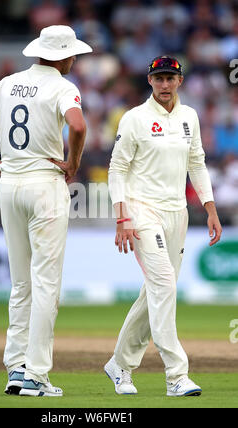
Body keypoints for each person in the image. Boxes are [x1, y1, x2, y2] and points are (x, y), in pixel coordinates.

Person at [0, 25, 92, 397]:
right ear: (61, 55)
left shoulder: (9, 83)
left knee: (21, 284)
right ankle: (36, 374)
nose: (75, 58)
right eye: (72, 53)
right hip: (45, 184)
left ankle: (16, 368)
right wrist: (73, 163)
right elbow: (78, 126)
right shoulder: (64, 87)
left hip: (9, 185)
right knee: (46, 284)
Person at [105, 56, 222, 397]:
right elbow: (116, 169)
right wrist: (122, 217)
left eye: (170, 78)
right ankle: (176, 374)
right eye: (159, 78)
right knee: (165, 285)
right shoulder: (135, 118)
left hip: (178, 214)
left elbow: (197, 163)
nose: (165, 84)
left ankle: (120, 365)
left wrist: (210, 208)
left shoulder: (189, 117)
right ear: (150, 81)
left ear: (180, 81)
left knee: (155, 291)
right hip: (142, 210)